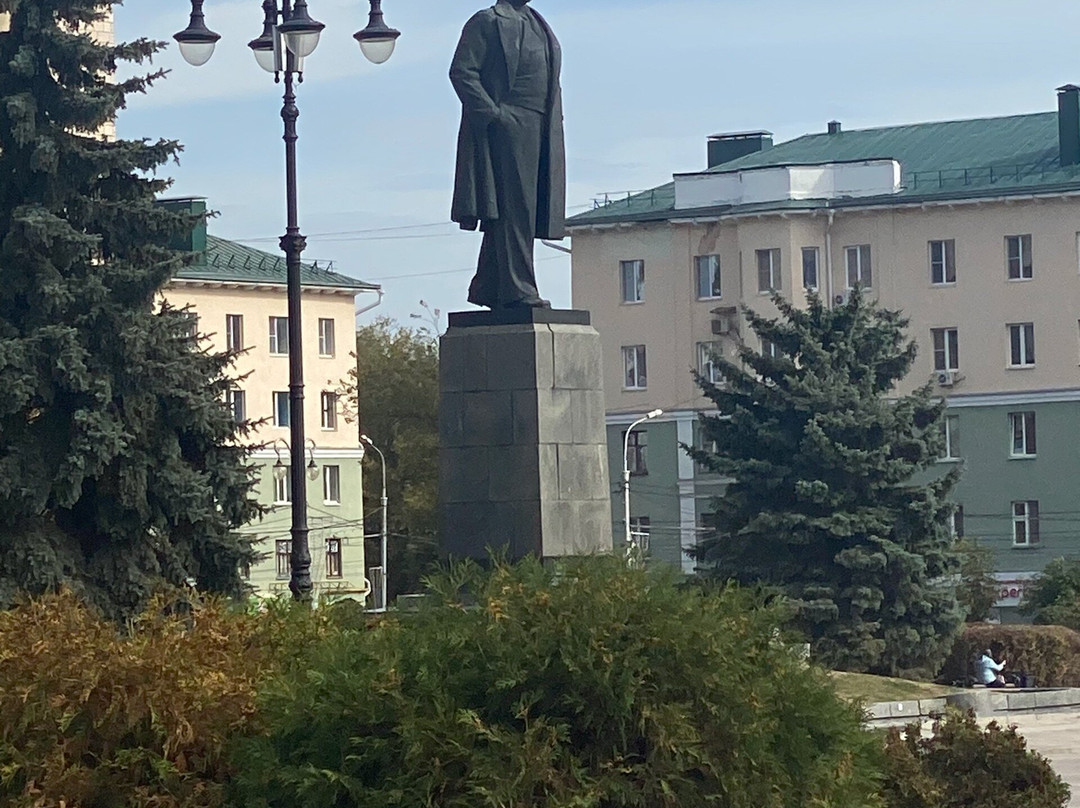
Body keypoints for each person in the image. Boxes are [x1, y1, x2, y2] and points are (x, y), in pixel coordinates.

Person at [450, 0, 566, 310]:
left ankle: (489, 286)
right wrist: (494, 114)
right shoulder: (486, 21)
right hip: (508, 123)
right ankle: (518, 289)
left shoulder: (538, 22)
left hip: (542, 126)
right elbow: (462, 72)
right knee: (518, 207)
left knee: (518, 209)